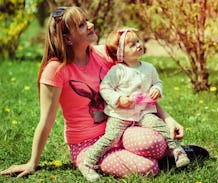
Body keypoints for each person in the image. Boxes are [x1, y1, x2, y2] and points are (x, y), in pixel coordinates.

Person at [0, 6, 187, 181]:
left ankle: (170, 151)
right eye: (82, 25)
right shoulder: (56, 70)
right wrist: (33, 163)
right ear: (67, 38)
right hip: (87, 145)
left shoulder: (102, 55)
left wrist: (168, 119)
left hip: (118, 131)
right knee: (149, 168)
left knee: (155, 143)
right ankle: (164, 156)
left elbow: (136, 91)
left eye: (86, 20)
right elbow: (46, 120)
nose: (91, 25)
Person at [79, 28, 190, 181]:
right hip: (120, 115)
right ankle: (88, 162)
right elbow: (105, 88)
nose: (138, 45)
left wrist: (156, 89)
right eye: (132, 45)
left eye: (138, 41)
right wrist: (119, 99)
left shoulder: (148, 68)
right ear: (121, 54)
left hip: (143, 113)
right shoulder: (118, 70)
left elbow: (157, 82)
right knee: (111, 137)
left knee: (160, 126)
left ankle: (177, 151)